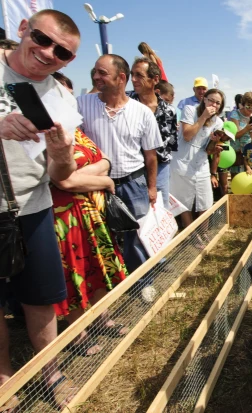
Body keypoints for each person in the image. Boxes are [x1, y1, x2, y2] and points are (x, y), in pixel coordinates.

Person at [0, 9, 81, 411]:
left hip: (32, 207)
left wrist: (63, 154)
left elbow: (61, 173)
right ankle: (4, 379)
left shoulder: (62, 98)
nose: (49, 54)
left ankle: (49, 372)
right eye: (42, 39)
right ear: (22, 30)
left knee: (40, 297)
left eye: (63, 53)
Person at [78, 54, 162, 275]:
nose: (96, 77)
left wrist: (151, 188)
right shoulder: (81, 105)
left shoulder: (142, 113)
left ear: (121, 78)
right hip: (95, 186)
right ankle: (107, 286)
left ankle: (142, 282)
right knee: (99, 237)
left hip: (133, 184)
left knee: (136, 237)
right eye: (95, 72)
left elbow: (150, 155)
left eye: (102, 73)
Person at [51, 128, 129, 356]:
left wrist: (88, 176)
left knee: (97, 265)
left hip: (90, 210)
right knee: (73, 271)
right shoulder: (47, 134)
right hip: (63, 216)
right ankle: (77, 332)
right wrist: (103, 180)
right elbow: (63, 182)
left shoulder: (75, 130)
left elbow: (105, 160)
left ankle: (100, 317)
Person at [170, 89, 226, 228]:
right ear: (204, 99)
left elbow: (207, 150)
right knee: (185, 201)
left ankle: (203, 232)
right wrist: (203, 117)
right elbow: (187, 135)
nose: (214, 104)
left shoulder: (218, 121)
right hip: (182, 160)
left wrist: (214, 142)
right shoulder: (190, 110)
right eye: (211, 100)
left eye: (218, 103)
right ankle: (191, 233)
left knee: (206, 200)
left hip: (201, 162)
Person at [128, 57, 178, 209]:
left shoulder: (169, 111)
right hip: (131, 170)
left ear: (155, 79)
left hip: (160, 169)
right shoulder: (125, 103)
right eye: (132, 74)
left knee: (160, 211)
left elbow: (170, 146)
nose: (133, 79)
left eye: (139, 75)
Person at [229, 92, 252, 177]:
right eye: (248, 106)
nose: (250, 109)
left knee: (249, 176)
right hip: (238, 152)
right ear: (243, 104)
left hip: (250, 152)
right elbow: (235, 135)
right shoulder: (235, 114)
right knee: (236, 177)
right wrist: (247, 129)